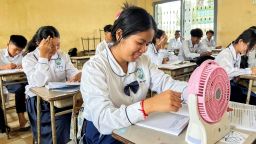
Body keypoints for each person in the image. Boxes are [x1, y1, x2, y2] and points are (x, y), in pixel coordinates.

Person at [80, 5, 187, 143]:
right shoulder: (94, 68)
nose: (144, 50)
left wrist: (195, 92)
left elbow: (166, 83)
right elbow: (103, 120)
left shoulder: (143, 61)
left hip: (135, 124)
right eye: (140, 42)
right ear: (119, 35)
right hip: (103, 132)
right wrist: (147, 106)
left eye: (148, 44)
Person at [22, 26, 81, 143]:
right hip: (39, 102)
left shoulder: (62, 56)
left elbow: (72, 72)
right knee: (63, 119)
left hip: (61, 98)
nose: (55, 49)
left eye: (58, 45)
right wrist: (43, 57)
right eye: (51, 45)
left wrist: (78, 75)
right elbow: (37, 83)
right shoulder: (29, 59)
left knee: (81, 112)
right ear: (39, 43)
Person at [215, 27, 256, 105]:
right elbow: (227, 72)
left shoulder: (238, 55)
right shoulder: (226, 54)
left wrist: (237, 77)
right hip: (221, 89)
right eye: (249, 48)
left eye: (252, 49)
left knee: (252, 95)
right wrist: (250, 70)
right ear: (241, 41)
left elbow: (235, 72)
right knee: (252, 99)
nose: (249, 51)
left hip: (230, 85)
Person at [0, 35, 29, 130]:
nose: (17, 53)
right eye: (15, 49)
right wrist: (5, 67)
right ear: (8, 44)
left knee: (34, 87)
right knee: (20, 89)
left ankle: (37, 115)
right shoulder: (0, 54)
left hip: (22, 79)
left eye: (20, 50)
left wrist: (24, 65)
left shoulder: (24, 55)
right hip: (8, 82)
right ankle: (21, 118)